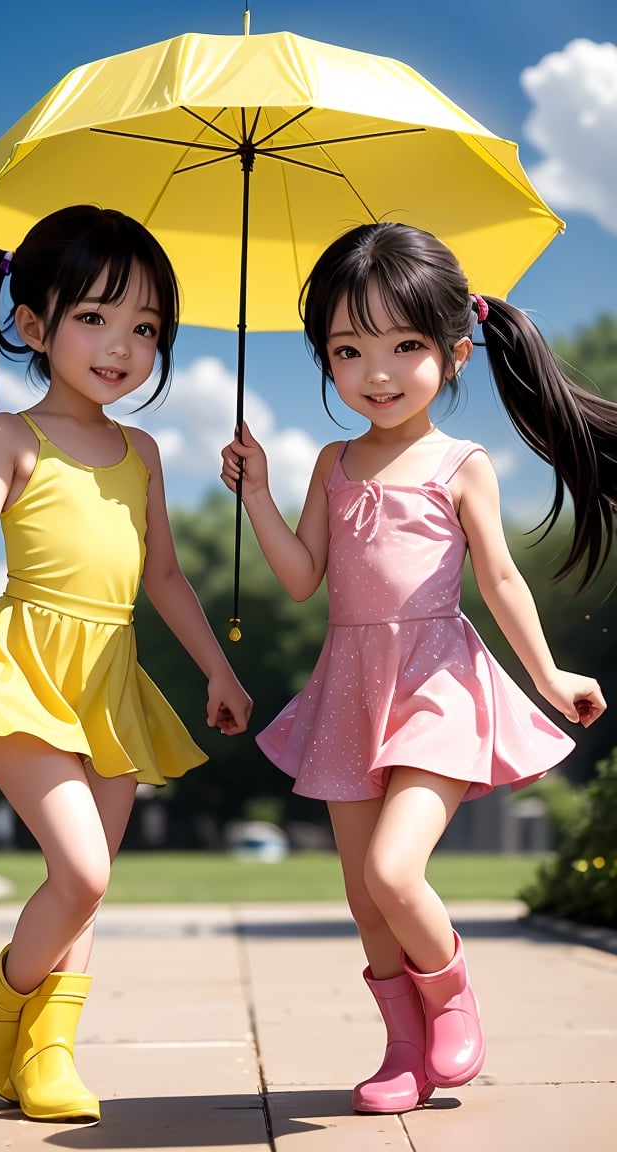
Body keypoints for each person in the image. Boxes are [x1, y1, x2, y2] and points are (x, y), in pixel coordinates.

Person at [221, 221, 612, 1115]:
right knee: (366, 898)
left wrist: (549, 677)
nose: (378, 372)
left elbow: (501, 578)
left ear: (457, 351)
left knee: (397, 872)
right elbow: (297, 579)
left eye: (405, 345)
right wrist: (256, 496)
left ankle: (451, 996)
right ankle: (403, 1050)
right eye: (349, 350)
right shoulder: (332, 462)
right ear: (325, 358)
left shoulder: (461, 464)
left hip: (438, 678)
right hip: (352, 683)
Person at [0, 205, 252, 1123]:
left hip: (112, 682)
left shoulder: (146, 451)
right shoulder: (10, 437)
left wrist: (217, 668)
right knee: (79, 872)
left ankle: (46, 1053)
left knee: (90, 888)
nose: (122, 345)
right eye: (95, 318)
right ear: (36, 326)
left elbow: (163, 574)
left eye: (146, 328)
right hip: (23, 666)